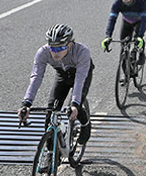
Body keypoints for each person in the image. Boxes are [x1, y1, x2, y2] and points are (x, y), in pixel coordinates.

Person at [18, 24, 94, 162]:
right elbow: (36, 77)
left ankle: (85, 124)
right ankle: (50, 152)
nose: (55, 52)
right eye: (53, 47)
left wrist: (75, 104)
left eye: (60, 48)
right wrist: (26, 103)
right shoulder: (43, 52)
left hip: (81, 75)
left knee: (76, 105)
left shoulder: (82, 52)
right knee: (51, 112)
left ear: (70, 44)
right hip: (62, 75)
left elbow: (80, 80)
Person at [101, 0, 146, 67]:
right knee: (123, 48)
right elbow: (112, 20)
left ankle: (141, 54)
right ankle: (125, 76)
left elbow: (145, 20)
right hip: (127, 23)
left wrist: (140, 36)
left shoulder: (142, 2)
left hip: (138, 22)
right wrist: (108, 36)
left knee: (137, 41)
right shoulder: (117, 3)